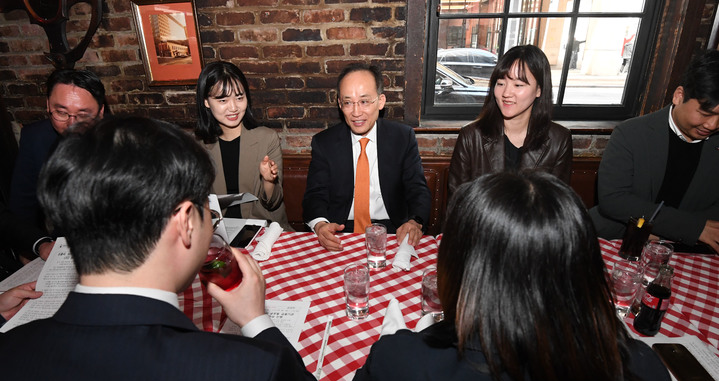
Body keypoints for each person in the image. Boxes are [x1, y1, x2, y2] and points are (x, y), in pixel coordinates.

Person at [0, 116, 342, 381]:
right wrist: (258, 321)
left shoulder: (10, 349)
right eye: (207, 207)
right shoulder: (249, 377)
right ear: (185, 222)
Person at [350, 171, 675, 381]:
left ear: (459, 265)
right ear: (582, 266)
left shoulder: (398, 369)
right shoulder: (647, 379)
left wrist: (408, 345)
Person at [590, 50, 719, 253]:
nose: (712, 124)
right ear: (679, 96)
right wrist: (690, 228)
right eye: (705, 113)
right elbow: (614, 200)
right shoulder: (631, 133)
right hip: (615, 237)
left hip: (689, 251)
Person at [302, 63, 431, 251]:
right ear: (339, 104)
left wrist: (415, 221)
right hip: (340, 231)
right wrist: (320, 225)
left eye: (364, 101)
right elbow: (315, 195)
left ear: (380, 101)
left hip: (393, 230)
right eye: (348, 102)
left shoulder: (402, 138)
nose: (356, 112)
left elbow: (417, 189)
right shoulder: (324, 143)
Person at [448, 45, 573, 199]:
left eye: (518, 85)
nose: (506, 93)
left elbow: (556, 204)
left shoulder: (559, 140)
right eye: (500, 83)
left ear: (539, 90)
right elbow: (458, 201)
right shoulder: (471, 136)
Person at [195, 61, 292, 230]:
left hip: (264, 232)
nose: (233, 107)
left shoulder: (266, 138)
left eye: (239, 98)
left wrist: (269, 180)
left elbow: (273, 203)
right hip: (219, 235)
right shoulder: (197, 147)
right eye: (223, 100)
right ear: (206, 102)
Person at [9, 68, 105, 231]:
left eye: (83, 115)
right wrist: (32, 244)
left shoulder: (122, 139)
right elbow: (22, 204)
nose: (72, 124)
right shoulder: (35, 138)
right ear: (48, 105)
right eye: (61, 112)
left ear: (100, 112)